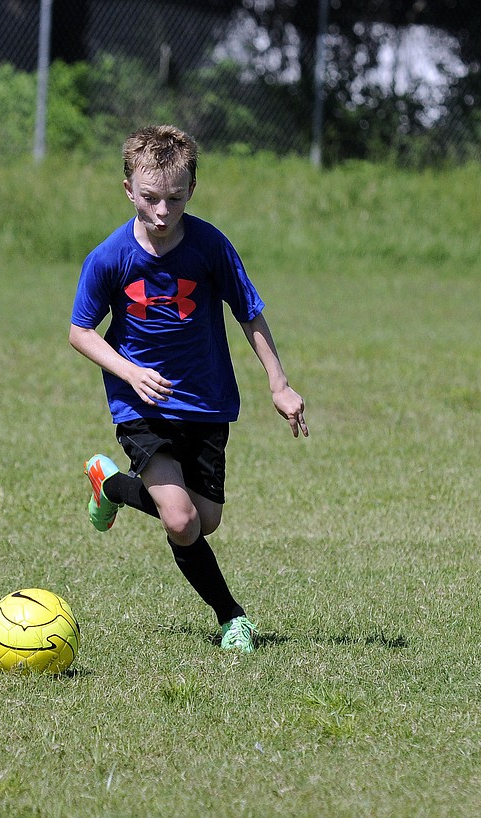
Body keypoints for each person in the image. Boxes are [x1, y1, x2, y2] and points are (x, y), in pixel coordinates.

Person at [69, 125, 307, 653]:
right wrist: (129, 372)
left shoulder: (210, 247)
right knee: (181, 520)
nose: (161, 210)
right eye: (150, 197)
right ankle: (232, 618)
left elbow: (249, 312)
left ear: (191, 190)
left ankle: (109, 485)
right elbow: (79, 331)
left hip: (206, 402)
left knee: (207, 520)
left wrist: (279, 384)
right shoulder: (109, 257)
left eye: (174, 198)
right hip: (142, 403)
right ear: (128, 188)